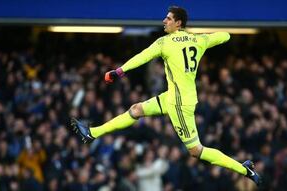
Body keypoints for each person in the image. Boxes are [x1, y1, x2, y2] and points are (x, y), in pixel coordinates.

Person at [71, 5, 261, 186]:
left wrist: (118, 72)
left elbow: (143, 56)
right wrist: (214, 36)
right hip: (176, 96)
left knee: (196, 151)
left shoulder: (165, 43)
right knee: (136, 110)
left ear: (178, 23)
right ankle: (92, 133)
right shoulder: (199, 40)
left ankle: (245, 170)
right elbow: (224, 36)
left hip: (179, 104)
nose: (164, 21)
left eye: (168, 19)